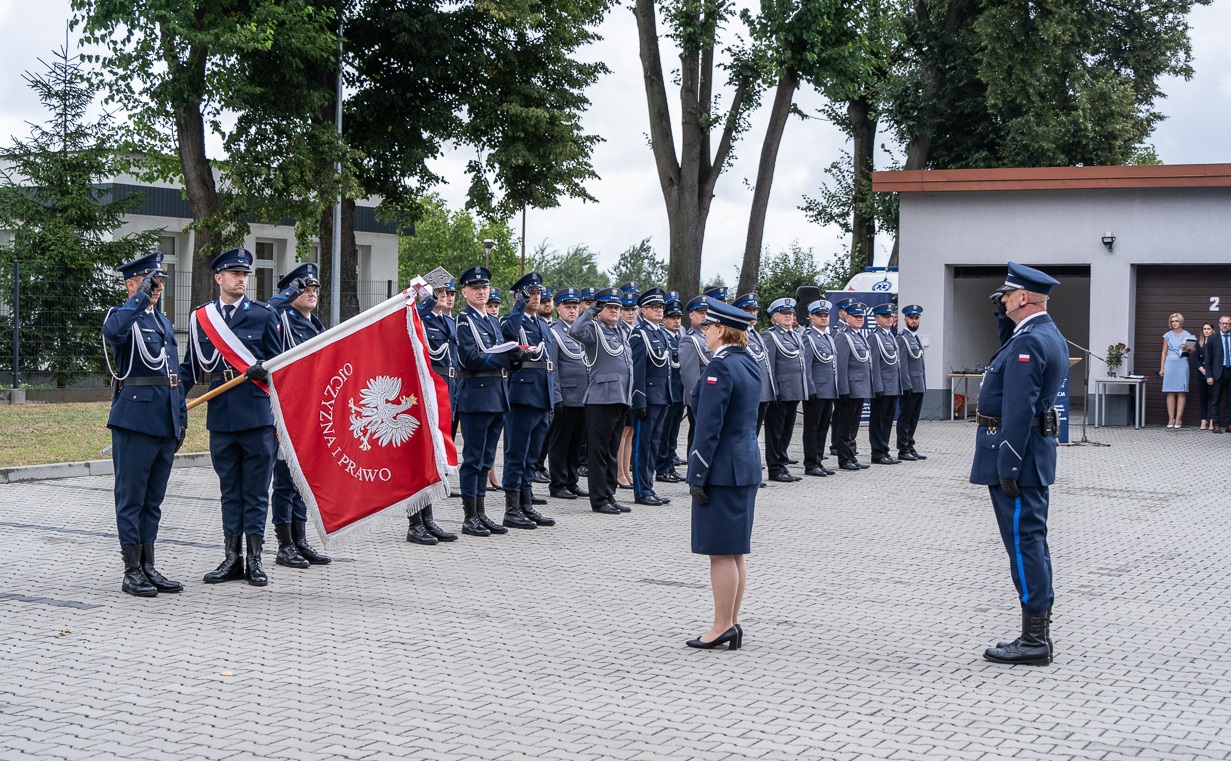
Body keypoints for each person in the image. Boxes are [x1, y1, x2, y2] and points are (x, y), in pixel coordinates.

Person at [976, 262, 1067, 666]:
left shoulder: (1030, 341)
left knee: (1023, 544)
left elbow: (1018, 407)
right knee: (1030, 541)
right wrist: (1002, 317)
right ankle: (1037, 632)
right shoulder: (1041, 333)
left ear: (1024, 297)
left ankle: (1034, 640)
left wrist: (1008, 465)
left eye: (1008, 295)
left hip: (1020, 457)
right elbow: (1010, 363)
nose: (1004, 299)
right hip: (1032, 454)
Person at [181, 247, 283, 586]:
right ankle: (232, 558)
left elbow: (283, 365)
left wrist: (265, 369)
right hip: (221, 417)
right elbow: (190, 367)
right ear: (219, 278)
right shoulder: (202, 317)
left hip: (256, 416)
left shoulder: (264, 315)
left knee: (256, 491)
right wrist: (170, 402)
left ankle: (255, 559)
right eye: (235, 274)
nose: (241, 279)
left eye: (244, 274)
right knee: (230, 491)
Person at [102, 251, 186, 597]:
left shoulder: (162, 322)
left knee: (153, 500)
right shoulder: (123, 316)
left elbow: (173, 376)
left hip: (164, 420)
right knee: (131, 498)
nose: (157, 287)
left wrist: (180, 418)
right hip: (135, 421)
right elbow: (113, 332)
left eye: (160, 281)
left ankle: (148, 565)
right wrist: (139, 298)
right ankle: (132, 570)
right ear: (131, 285)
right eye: (151, 281)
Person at [685, 298, 761, 651]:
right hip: (744, 464)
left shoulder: (721, 367)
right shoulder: (749, 362)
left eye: (709, 327)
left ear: (720, 330)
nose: (705, 333)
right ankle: (730, 622)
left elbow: (708, 427)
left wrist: (697, 471)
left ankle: (721, 626)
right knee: (734, 551)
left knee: (720, 552)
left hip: (721, 470)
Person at [266, 263, 333, 565]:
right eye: (305, 288)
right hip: (288, 410)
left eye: (314, 288)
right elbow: (269, 309)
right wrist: (286, 296)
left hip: (311, 410)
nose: (311, 293)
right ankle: (285, 544)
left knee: (302, 479)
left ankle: (301, 540)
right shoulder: (281, 319)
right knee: (285, 479)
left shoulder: (317, 326)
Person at [455, 267, 525, 536]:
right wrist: (505, 358)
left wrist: (516, 358)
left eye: (484, 287)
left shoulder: (492, 321)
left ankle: (481, 513)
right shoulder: (465, 320)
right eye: (475, 288)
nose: (481, 292)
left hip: (497, 394)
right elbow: (470, 357)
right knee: (473, 458)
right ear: (465, 292)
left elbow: (502, 349)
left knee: (486, 459)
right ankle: (469, 517)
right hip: (477, 395)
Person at [569, 287, 634, 514]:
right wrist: (590, 312)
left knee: (611, 450)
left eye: (617, 307)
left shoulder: (621, 332)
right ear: (601, 309)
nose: (615, 311)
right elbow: (575, 331)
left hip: (621, 397)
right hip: (601, 398)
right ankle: (598, 499)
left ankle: (609, 494)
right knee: (598, 452)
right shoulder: (594, 329)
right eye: (610, 307)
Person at [499, 273, 557, 529]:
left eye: (537, 293)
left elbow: (548, 361)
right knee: (517, 454)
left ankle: (526, 504)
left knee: (532, 455)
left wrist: (552, 397)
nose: (536, 297)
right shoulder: (513, 319)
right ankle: (512, 509)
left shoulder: (542, 324)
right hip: (522, 395)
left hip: (542, 394)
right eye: (531, 293)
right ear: (520, 296)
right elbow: (508, 335)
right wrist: (518, 306)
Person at [407, 276, 460, 545]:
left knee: (434, 458)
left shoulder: (447, 321)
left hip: (444, 391)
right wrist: (424, 294)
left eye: (448, 292)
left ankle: (428, 519)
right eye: (439, 291)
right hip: (423, 392)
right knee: (419, 458)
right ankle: (415, 523)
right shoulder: (419, 316)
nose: (445, 296)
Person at [629, 288, 675, 506]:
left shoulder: (660, 333)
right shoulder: (640, 335)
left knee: (654, 445)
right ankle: (641, 491)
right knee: (643, 446)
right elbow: (637, 370)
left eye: (661, 307)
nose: (659, 311)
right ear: (643, 311)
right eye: (654, 307)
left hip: (662, 396)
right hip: (647, 397)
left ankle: (649, 486)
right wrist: (639, 399)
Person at [546, 288, 589, 500]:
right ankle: (558, 483)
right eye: (568, 307)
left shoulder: (582, 331)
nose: (572, 311)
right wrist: (557, 397)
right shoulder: (554, 332)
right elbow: (552, 367)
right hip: (566, 396)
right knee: (560, 442)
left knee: (576, 443)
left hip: (584, 396)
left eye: (575, 307)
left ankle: (572, 481)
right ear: (558, 309)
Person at [762, 298, 810, 482]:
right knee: (775, 432)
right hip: (780, 391)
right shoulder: (771, 336)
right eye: (784, 313)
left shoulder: (795, 335)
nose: (789, 316)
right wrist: (773, 390)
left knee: (787, 430)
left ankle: (782, 464)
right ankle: (774, 468)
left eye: (790, 313)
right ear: (774, 317)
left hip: (794, 390)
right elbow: (769, 366)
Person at [867, 302, 909, 465]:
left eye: (890, 316)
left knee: (888, 420)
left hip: (893, 387)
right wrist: (877, 386)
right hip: (883, 387)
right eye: (885, 316)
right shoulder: (874, 337)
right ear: (877, 319)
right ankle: (877, 452)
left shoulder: (890, 335)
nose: (889, 319)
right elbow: (874, 364)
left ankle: (884, 449)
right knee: (878, 421)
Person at [833, 303, 873, 471]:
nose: (859, 319)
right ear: (847, 318)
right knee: (845, 424)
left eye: (861, 317)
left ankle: (851, 454)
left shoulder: (859, 336)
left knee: (854, 425)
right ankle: (844, 458)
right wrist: (843, 389)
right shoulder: (843, 336)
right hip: (849, 388)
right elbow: (841, 365)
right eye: (856, 317)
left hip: (860, 387)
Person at [801, 300, 837, 477]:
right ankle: (810, 463)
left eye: (826, 315)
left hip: (828, 389)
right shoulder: (808, 338)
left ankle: (818, 460)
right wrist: (810, 388)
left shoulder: (828, 337)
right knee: (812, 429)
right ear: (811, 317)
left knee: (823, 428)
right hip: (816, 390)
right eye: (819, 315)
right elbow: (806, 366)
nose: (823, 318)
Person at [734, 293, 775, 445]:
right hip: (748, 391)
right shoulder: (737, 334)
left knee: (754, 431)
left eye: (754, 310)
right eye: (748, 310)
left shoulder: (756, 334)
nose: (752, 313)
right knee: (745, 432)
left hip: (761, 391)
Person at [656, 293, 687, 483]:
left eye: (678, 318)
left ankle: (670, 465)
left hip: (679, 392)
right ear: (664, 320)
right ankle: (661, 468)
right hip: (667, 392)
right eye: (672, 318)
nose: (676, 321)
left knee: (673, 433)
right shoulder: (662, 338)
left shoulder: (680, 338)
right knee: (664, 433)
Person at [679, 297, 712, 451]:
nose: (704, 315)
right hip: (701, 396)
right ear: (691, 315)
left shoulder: (711, 336)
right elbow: (689, 375)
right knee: (698, 437)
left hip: (713, 394)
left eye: (706, 312)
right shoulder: (689, 339)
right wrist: (696, 398)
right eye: (700, 312)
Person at [895, 305, 928, 460]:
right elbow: (902, 364)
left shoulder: (915, 338)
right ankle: (903, 449)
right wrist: (906, 384)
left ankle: (910, 445)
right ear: (905, 320)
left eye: (916, 318)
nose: (914, 321)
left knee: (914, 418)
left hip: (919, 384)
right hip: (910, 386)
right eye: (911, 318)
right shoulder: (902, 339)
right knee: (905, 417)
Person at [1159, 313, 1196, 429]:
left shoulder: (1187, 335)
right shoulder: (1167, 335)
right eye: (1172, 321)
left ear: (1181, 321)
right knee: (1170, 391)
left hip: (1182, 363)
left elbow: (1193, 350)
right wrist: (1162, 368)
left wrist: (1186, 348)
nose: (1174, 323)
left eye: (1176, 321)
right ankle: (1171, 418)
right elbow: (1164, 352)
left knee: (1181, 391)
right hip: (1170, 363)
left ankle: (1178, 419)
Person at [1206, 315, 1231, 433]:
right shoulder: (1213, 338)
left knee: (1230, 399)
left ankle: (1229, 424)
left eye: (1228, 323)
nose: (1225, 325)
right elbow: (1208, 358)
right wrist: (1209, 375)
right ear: (1219, 324)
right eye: (1223, 323)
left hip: (1230, 370)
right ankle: (1215, 424)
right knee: (1215, 399)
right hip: (1218, 372)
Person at [1194, 323, 1215, 429]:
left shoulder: (1216, 342)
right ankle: (1203, 420)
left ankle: (1212, 420)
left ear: (1212, 330)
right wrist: (1201, 369)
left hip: (1212, 374)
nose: (1206, 331)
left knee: (1213, 398)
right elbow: (1196, 358)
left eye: (1208, 329)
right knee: (1203, 398)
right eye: (1204, 329)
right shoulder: (1199, 343)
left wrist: (1210, 371)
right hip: (1201, 374)